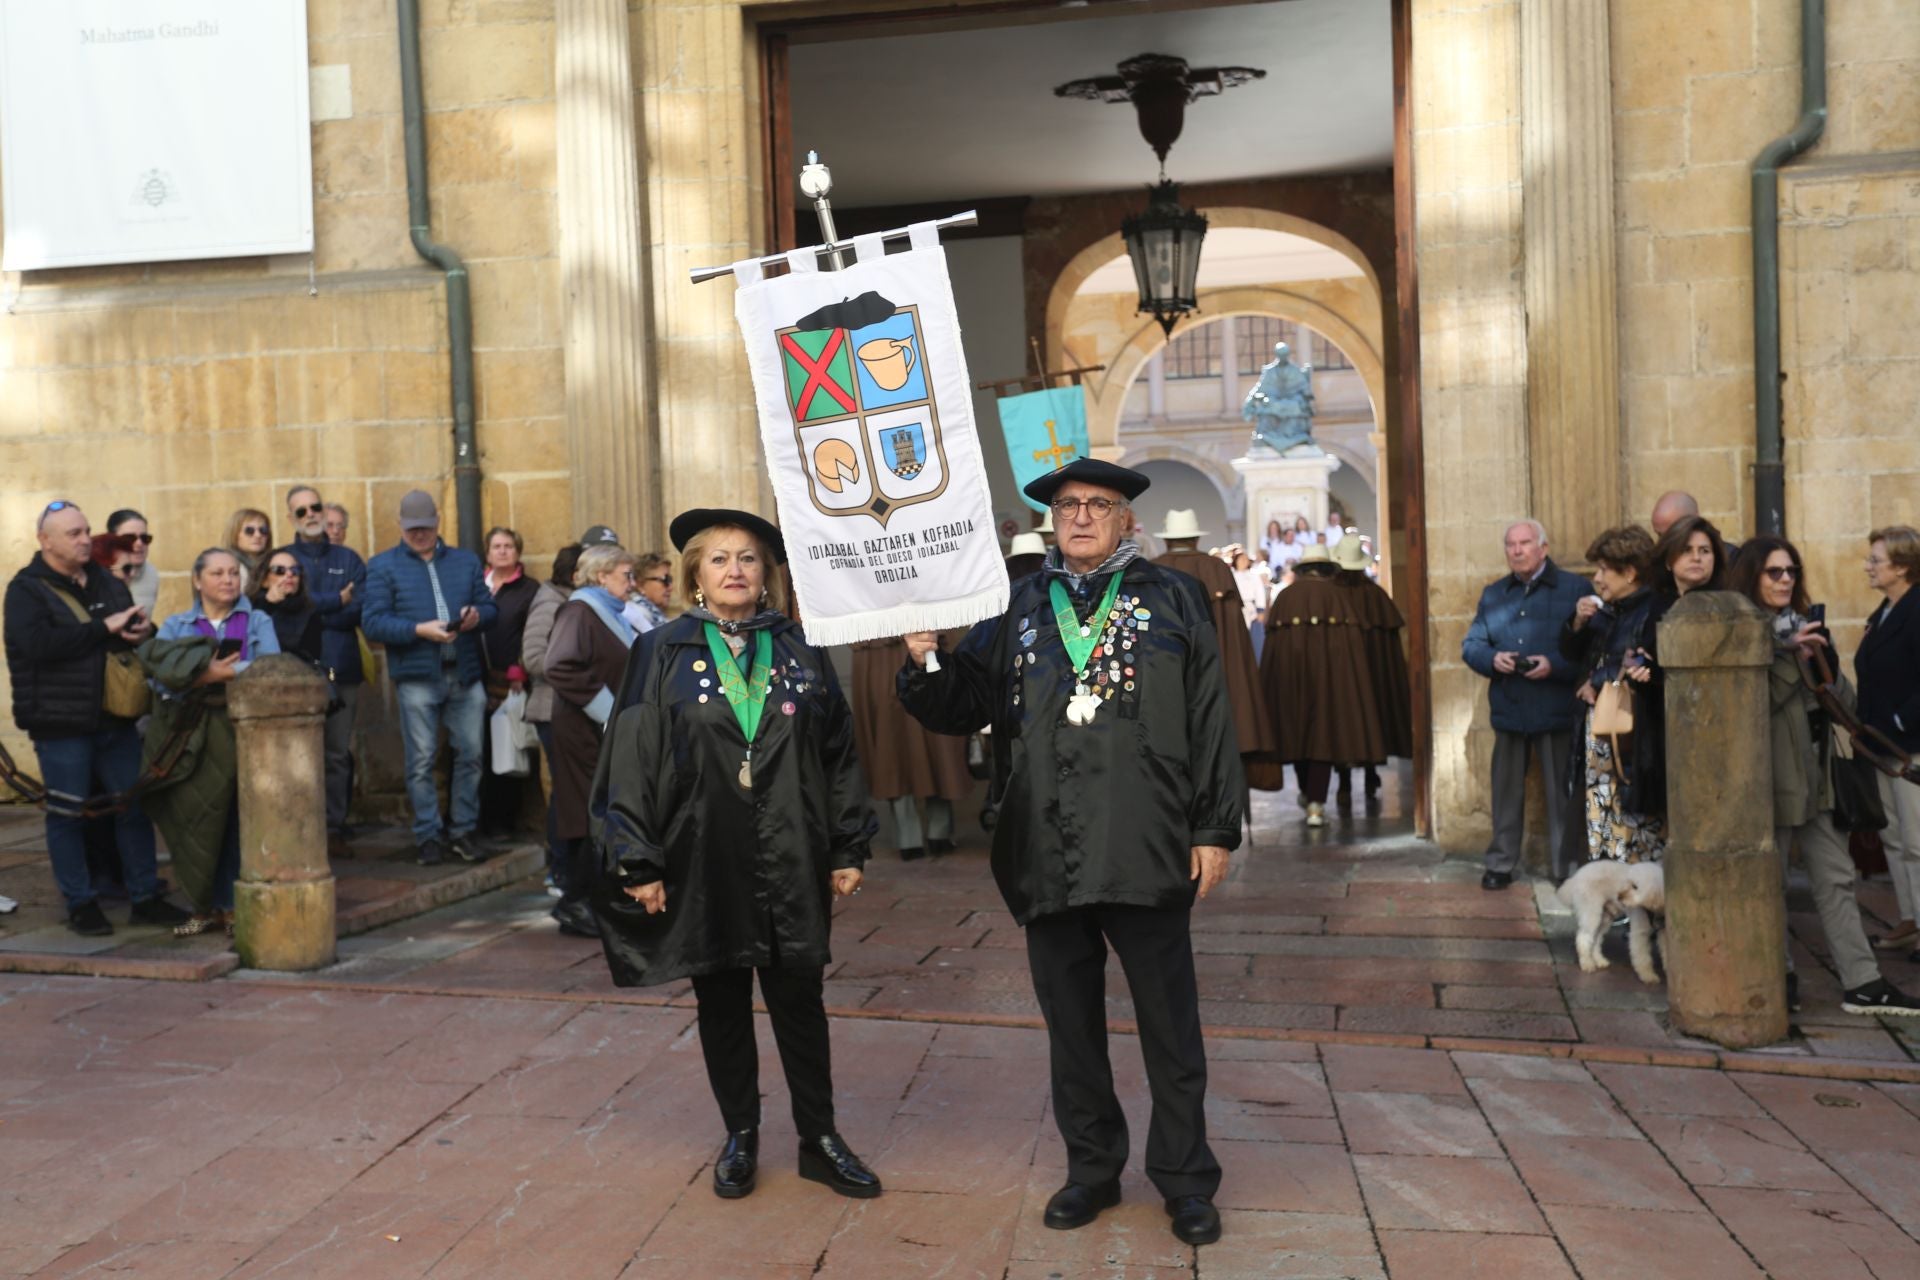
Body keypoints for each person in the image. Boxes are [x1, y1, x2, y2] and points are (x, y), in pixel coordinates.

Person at [900, 458, 1242, 1248]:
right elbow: (961, 705)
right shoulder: (1017, 602)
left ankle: (1186, 1181)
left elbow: (1210, 716)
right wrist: (925, 657)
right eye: (1067, 505)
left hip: (1149, 838)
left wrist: (1214, 828)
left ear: (1128, 520)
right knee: (1071, 1026)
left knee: (1169, 1024)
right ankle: (1091, 1171)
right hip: (1046, 842)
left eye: (1099, 504)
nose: (1081, 516)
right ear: (1051, 520)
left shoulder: (1173, 597)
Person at [591, 507, 880, 1202]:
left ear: (767, 573)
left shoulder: (800, 650)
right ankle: (741, 1133)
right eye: (719, 558)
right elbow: (630, 759)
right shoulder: (661, 651)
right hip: (703, 851)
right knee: (720, 995)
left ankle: (820, 1138)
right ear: (695, 573)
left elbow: (838, 753)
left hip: (791, 851)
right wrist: (639, 859)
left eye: (748, 558)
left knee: (799, 1000)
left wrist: (848, 843)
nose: (735, 570)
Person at [1727, 537, 1920, 1015]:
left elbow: (1845, 708)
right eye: (1774, 572)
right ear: (1752, 576)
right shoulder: (1741, 631)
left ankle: (1863, 981)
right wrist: (1789, 655)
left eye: (1791, 570)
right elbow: (1748, 708)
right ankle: (1779, 974)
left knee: (1836, 877)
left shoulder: (1806, 628)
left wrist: (1824, 659)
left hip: (1817, 776)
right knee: (1770, 884)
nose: (1786, 580)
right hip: (1769, 781)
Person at [3, 501, 189, 936]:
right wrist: (104, 629)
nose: (85, 538)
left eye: (86, 530)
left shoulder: (105, 579)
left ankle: (144, 896)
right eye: (72, 533)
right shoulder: (27, 590)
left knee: (132, 806)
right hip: (61, 722)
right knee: (67, 814)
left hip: (114, 718)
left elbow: (126, 632)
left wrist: (144, 632)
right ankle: (81, 903)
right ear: (45, 541)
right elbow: (37, 646)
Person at [143, 548, 281, 937]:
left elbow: (271, 666)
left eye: (233, 574)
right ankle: (202, 907)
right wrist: (204, 674)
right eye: (217, 573)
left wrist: (215, 671)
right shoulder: (176, 625)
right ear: (197, 580)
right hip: (191, 737)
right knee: (195, 822)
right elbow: (156, 676)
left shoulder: (257, 620)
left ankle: (234, 907)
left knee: (234, 821)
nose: (227, 580)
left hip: (241, 734)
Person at [361, 490, 497, 866]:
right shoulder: (383, 565)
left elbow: (490, 608)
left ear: (438, 521)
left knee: (471, 755)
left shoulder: (465, 561)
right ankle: (428, 836)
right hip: (417, 675)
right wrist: (419, 629)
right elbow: (372, 621)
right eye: (411, 528)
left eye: (424, 527)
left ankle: (463, 832)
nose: (419, 534)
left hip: (464, 673)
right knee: (420, 760)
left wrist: (476, 617)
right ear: (400, 526)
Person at [1461, 520, 1590, 889]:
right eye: (1510, 545)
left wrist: (1554, 665)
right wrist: (1493, 659)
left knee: (1562, 797)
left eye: (1525, 543)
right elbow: (1471, 645)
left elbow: (1590, 651)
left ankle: (1565, 869)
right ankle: (1500, 864)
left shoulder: (1574, 589)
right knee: (1505, 794)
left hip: (1555, 708)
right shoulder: (1494, 593)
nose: (1517, 551)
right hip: (1510, 706)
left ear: (1543, 548)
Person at [1253, 542, 1413, 828]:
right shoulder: (1338, 597)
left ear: (1302, 569)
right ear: (1328, 569)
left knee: (1297, 734)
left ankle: (1307, 792)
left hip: (1290, 682)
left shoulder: (1286, 597)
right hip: (1331, 682)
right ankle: (1316, 803)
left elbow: (1273, 650)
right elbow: (1349, 651)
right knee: (1322, 736)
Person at [544, 545, 641, 932]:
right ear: (601, 576)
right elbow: (559, 664)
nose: (632, 584)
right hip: (582, 731)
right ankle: (576, 902)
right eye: (625, 575)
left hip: (600, 731)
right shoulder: (580, 611)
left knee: (600, 809)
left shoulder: (603, 612)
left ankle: (597, 898)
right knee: (586, 812)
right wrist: (607, 709)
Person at [1561, 525, 1665, 864]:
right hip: (1604, 736)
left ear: (1631, 573)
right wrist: (1576, 622)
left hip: (1632, 740)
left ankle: (1635, 906)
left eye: (1605, 569)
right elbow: (1572, 653)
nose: (1597, 577)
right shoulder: (1609, 610)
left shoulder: (1652, 611)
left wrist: (1602, 678)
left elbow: (1644, 662)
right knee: (1603, 823)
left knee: (1634, 828)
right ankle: (1616, 899)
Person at [1153, 509, 1277, 766]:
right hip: (1217, 673)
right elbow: (1233, 634)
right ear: (1196, 539)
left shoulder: (1154, 568)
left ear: (1166, 540)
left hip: (1163, 681)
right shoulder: (1216, 568)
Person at [283, 486, 367, 859]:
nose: (311, 515)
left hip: (340, 666)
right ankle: (301, 828)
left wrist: (314, 609)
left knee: (335, 751)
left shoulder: (348, 559)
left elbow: (360, 609)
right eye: (301, 511)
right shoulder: (283, 559)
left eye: (315, 507)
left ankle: (334, 825)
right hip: (296, 670)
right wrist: (335, 601)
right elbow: (287, 607)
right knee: (298, 755)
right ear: (292, 519)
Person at [851, 628, 972, 861]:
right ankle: (924, 834)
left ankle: (927, 833)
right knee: (893, 740)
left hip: (913, 635)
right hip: (880, 642)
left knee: (936, 736)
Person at [1856, 526, 1920, 956]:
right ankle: (1911, 919)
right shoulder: (1885, 609)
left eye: (1876, 560)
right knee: (1896, 839)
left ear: (1901, 566)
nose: (1869, 566)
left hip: (1909, 743)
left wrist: (1899, 720)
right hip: (1881, 744)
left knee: (1918, 841)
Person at [522, 543, 584, 914]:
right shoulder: (550, 602)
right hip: (551, 709)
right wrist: (577, 668)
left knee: (570, 793)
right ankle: (558, 870)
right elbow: (532, 657)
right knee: (564, 794)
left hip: (569, 709)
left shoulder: (572, 600)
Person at [251, 550, 323, 667]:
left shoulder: (310, 612)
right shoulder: (248, 608)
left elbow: (312, 658)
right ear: (264, 580)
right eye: (279, 570)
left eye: (295, 570)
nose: (289, 574)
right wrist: (267, 604)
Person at [1652, 514, 1727, 598]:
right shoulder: (1651, 606)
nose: (1696, 558)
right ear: (1668, 561)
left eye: (1705, 551)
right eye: (1686, 550)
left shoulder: (1730, 606)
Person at [106, 510, 158, 613]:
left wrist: (150, 628)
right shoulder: (93, 575)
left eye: (144, 538)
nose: (139, 543)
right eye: (129, 538)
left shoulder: (151, 573)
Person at [223, 508, 273, 590]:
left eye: (263, 530)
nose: (258, 535)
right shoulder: (229, 566)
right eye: (249, 530)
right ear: (235, 534)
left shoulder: (272, 565)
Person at [629, 552, 674, 632]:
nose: (670, 587)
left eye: (670, 580)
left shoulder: (656, 616)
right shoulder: (635, 616)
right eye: (665, 580)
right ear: (640, 585)